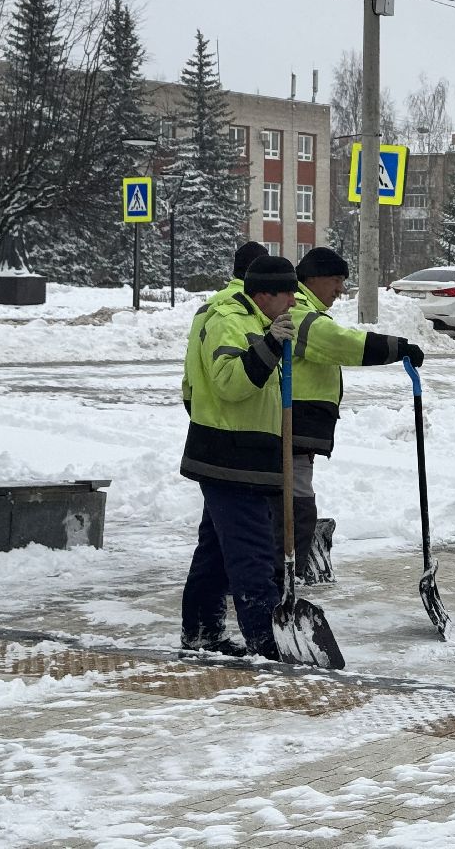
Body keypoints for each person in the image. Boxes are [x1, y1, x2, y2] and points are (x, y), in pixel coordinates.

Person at [179, 254, 299, 660]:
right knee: (252, 552)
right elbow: (230, 383)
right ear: (264, 294)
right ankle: (267, 642)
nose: (295, 303)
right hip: (232, 458)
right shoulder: (229, 320)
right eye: (289, 294)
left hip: (238, 454)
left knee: (215, 552)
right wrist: (269, 346)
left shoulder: (257, 321)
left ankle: (201, 632)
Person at [284, 246, 424, 582]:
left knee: (290, 500)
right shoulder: (299, 313)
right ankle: (282, 579)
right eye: (335, 280)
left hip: (300, 426)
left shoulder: (302, 310)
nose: (340, 290)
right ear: (313, 278)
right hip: (291, 425)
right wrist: (397, 347)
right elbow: (341, 344)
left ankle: (280, 573)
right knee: (297, 504)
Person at [182, 241, 268, 413]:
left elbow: (192, 355)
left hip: (200, 404)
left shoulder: (209, 304)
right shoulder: (252, 304)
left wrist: (189, 395)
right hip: (231, 413)